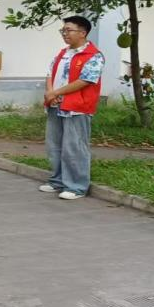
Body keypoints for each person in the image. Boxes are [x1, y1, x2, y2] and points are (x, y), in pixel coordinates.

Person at [40, 16, 105, 201]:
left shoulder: (94, 56)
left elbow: (85, 80)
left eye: (68, 30)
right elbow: (50, 73)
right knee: (55, 145)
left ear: (82, 33)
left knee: (74, 146)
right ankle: (57, 181)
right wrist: (51, 92)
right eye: (63, 30)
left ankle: (76, 186)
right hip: (56, 104)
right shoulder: (63, 53)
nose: (64, 34)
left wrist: (56, 92)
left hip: (77, 107)